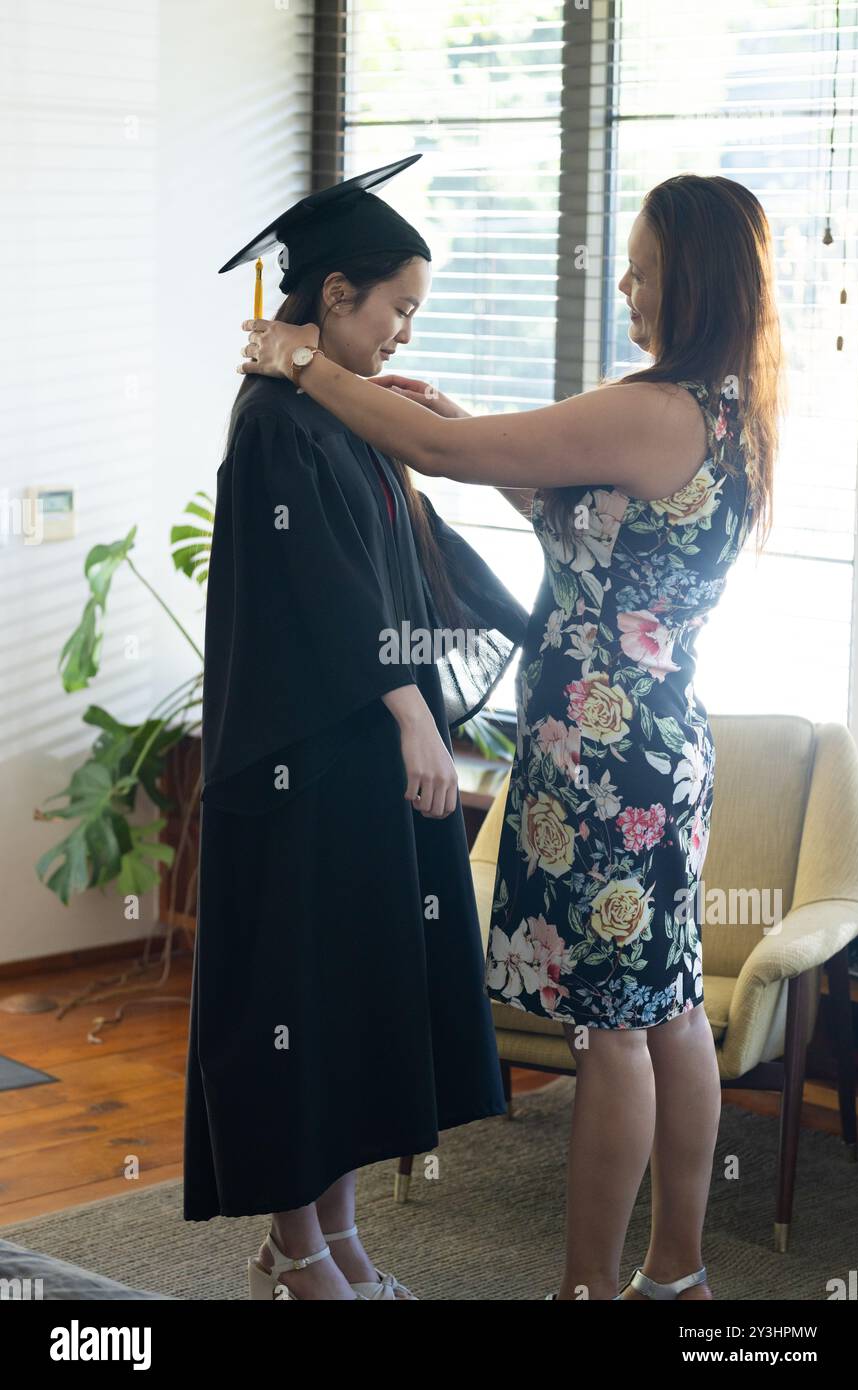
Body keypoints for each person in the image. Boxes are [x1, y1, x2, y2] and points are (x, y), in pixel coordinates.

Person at [237, 171, 784, 1301]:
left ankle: (586, 1290)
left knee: (612, 1033)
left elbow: (456, 459)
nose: (626, 284)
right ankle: (675, 1274)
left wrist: (304, 362)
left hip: (602, 756)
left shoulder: (655, 406)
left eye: (642, 266)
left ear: (696, 277)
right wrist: (447, 421)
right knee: (671, 1004)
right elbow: (573, 509)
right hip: (668, 742)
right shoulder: (731, 414)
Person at [183, 156, 529, 1302]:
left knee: (346, 1011)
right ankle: (295, 1248)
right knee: (301, 1010)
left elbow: (406, 563)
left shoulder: (342, 413)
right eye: (397, 309)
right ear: (335, 295)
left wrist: (532, 628)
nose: (401, 333)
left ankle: (332, 1242)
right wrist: (411, 717)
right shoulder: (277, 419)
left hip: (357, 758)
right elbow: (329, 587)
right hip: (303, 759)